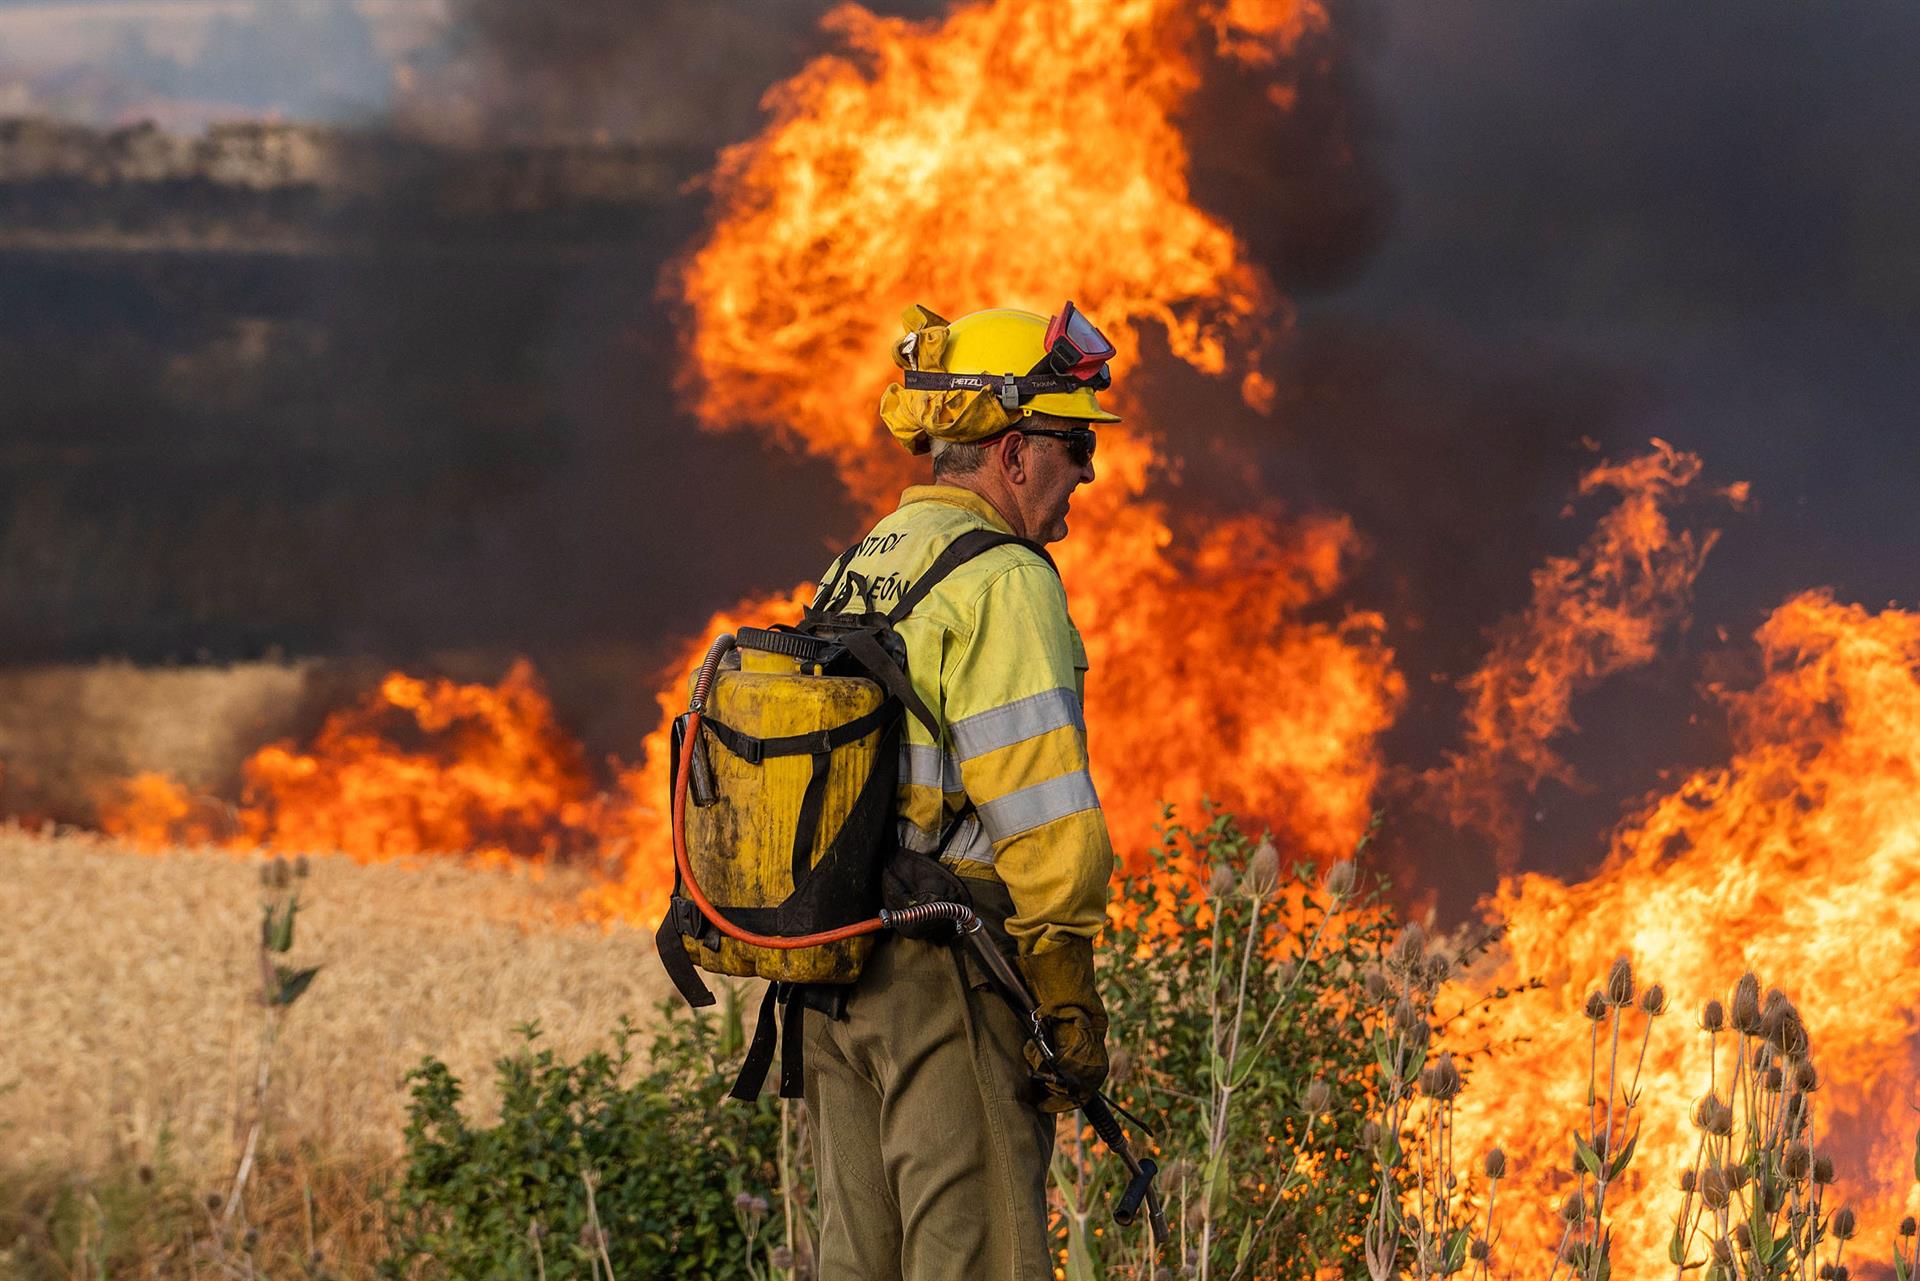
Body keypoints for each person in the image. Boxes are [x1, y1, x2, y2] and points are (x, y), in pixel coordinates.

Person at [801, 304, 1118, 1280]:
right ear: (1015, 453)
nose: (1088, 473)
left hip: (828, 971)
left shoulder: (854, 570)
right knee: (981, 1258)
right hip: (945, 965)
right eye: (1073, 444)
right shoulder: (1005, 579)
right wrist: (1064, 994)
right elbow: (1046, 821)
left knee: (863, 1264)